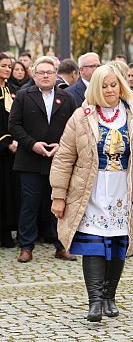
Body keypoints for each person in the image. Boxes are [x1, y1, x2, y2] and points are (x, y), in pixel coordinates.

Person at [50, 63, 133, 322]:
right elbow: (65, 157)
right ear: (96, 88)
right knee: (93, 244)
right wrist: (59, 194)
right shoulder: (82, 116)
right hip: (90, 189)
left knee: (117, 244)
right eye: (104, 85)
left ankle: (110, 294)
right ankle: (95, 300)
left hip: (123, 189)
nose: (110, 90)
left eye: (114, 84)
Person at [8, 56, 78, 263]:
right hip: (30, 159)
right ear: (34, 75)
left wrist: (61, 145)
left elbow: (74, 127)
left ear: (56, 75)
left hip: (59, 160)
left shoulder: (67, 98)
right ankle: (26, 246)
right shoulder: (23, 95)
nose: (46, 76)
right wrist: (32, 144)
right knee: (29, 204)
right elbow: (14, 125)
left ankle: (61, 245)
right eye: (41, 72)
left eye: (50, 72)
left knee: (60, 204)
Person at [0, 53, 19, 247]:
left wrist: (17, 140)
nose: (7, 69)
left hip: (12, 152)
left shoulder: (12, 90)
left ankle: (7, 233)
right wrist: (6, 142)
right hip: (3, 147)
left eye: (9, 66)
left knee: (9, 193)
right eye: (4, 66)